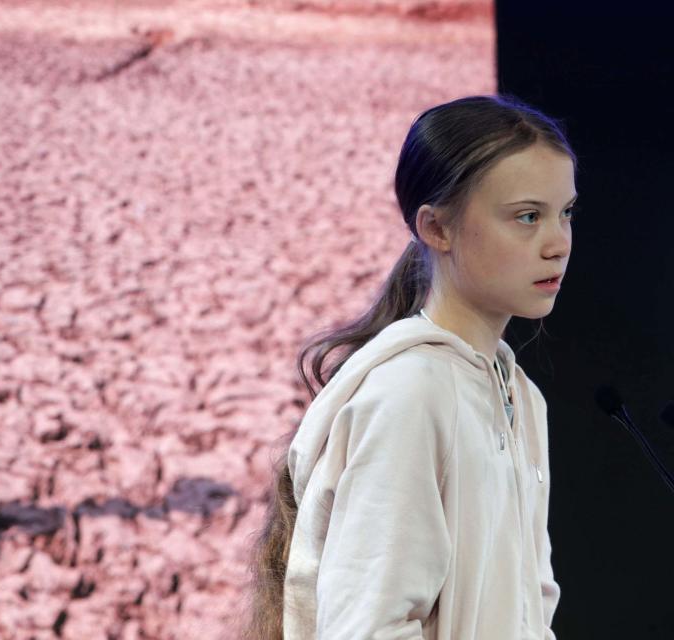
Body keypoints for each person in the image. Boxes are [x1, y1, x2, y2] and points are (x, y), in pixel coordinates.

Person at [247, 95, 576, 639]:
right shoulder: (409, 394)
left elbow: (530, 607)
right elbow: (366, 626)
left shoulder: (519, 392)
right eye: (527, 217)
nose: (558, 242)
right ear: (436, 228)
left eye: (566, 213)